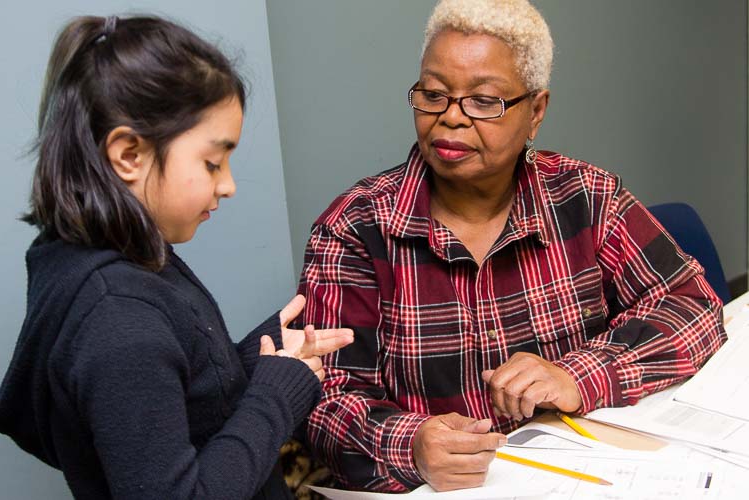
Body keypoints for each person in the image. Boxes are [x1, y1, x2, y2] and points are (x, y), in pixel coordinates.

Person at [297, 0, 726, 493]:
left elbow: (691, 306)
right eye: (433, 94)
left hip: (580, 476)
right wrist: (411, 444)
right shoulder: (355, 226)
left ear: (536, 112)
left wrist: (578, 376)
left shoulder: (585, 196)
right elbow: (324, 402)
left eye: (483, 101)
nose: (451, 119)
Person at [0, 14, 353, 500]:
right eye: (212, 162)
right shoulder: (116, 314)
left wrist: (256, 358)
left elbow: (175, 401)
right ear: (128, 154)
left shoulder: (110, 261)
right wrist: (275, 396)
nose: (227, 185)